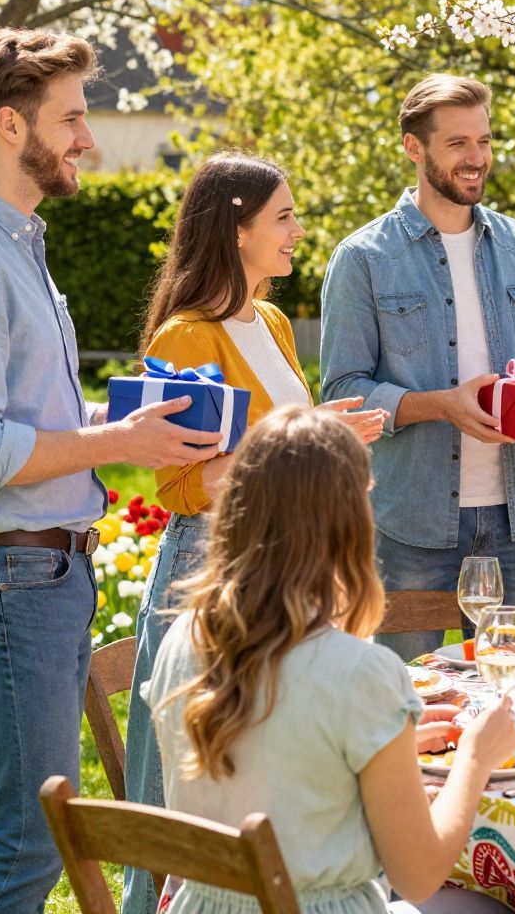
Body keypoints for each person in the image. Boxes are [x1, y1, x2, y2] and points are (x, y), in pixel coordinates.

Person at [0, 28, 222, 914]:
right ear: (8, 125)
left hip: (38, 572)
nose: (87, 138)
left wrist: (128, 425)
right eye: (71, 118)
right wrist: (118, 442)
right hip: (8, 576)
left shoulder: (12, 246)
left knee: (14, 831)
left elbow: (25, 426)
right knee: (25, 844)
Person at [119, 152, 387, 914]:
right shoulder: (186, 337)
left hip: (280, 566)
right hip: (206, 566)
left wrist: (323, 434)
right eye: (285, 217)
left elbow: (276, 439)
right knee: (169, 808)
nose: (299, 231)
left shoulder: (269, 321)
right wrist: (297, 445)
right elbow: (179, 482)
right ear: (237, 231)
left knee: (260, 776)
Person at [146, 405, 515, 913]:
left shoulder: (184, 639)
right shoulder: (359, 673)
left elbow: (270, 769)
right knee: (493, 908)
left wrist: (385, 748)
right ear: (348, 525)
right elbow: (420, 875)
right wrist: (475, 757)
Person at [320, 74, 515, 661]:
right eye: (457, 144)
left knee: (512, 699)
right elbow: (342, 393)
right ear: (414, 148)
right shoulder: (364, 259)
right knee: (406, 703)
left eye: (484, 140)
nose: (476, 158)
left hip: (513, 522)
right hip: (410, 526)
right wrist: (443, 406)